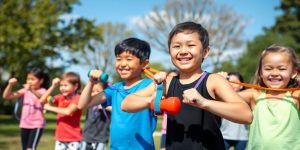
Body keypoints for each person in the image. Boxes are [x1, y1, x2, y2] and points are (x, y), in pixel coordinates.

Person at [121, 21, 253, 150]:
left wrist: (204, 102)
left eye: (190, 45)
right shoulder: (167, 82)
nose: (183, 51)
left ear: (205, 52)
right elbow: (126, 104)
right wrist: (151, 100)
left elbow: (246, 115)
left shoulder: (214, 80)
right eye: (177, 46)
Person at [77, 37, 157, 150]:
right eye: (118, 59)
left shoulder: (150, 85)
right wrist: (91, 82)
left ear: (144, 64)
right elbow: (82, 105)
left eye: (129, 59)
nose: (122, 64)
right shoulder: (114, 88)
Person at [227, 45, 300, 150]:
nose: (274, 73)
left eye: (282, 68)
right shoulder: (254, 95)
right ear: (261, 72)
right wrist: (221, 82)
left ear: (293, 72)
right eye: (268, 68)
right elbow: (222, 97)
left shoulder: (296, 96)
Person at [2, 67, 49, 150]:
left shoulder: (43, 91)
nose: (29, 81)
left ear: (41, 81)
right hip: (25, 123)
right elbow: (6, 96)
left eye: (32, 79)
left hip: (37, 124)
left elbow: (43, 99)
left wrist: (31, 90)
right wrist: (10, 85)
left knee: (30, 148)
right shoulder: (25, 90)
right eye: (28, 79)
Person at [40, 72, 82, 150]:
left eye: (65, 85)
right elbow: (42, 100)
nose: (62, 88)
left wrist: (49, 107)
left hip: (74, 139)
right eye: (61, 85)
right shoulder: (60, 97)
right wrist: (53, 86)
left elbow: (68, 112)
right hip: (60, 137)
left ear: (75, 86)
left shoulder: (78, 98)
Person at [219, 72, 248, 150]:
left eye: (234, 82)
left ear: (241, 85)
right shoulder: (221, 97)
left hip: (241, 137)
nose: (231, 84)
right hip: (224, 135)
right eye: (228, 82)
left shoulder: (247, 98)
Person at [81, 82, 111, 150]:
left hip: (101, 139)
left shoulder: (108, 103)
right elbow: (81, 105)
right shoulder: (90, 103)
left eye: (97, 91)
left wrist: (104, 106)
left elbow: (116, 109)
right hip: (87, 137)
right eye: (92, 91)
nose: (94, 93)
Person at [160, 70, 178, 150]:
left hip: (178, 131)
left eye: (174, 78)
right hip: (165, 132)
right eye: (169, 78)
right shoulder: (164, 96)